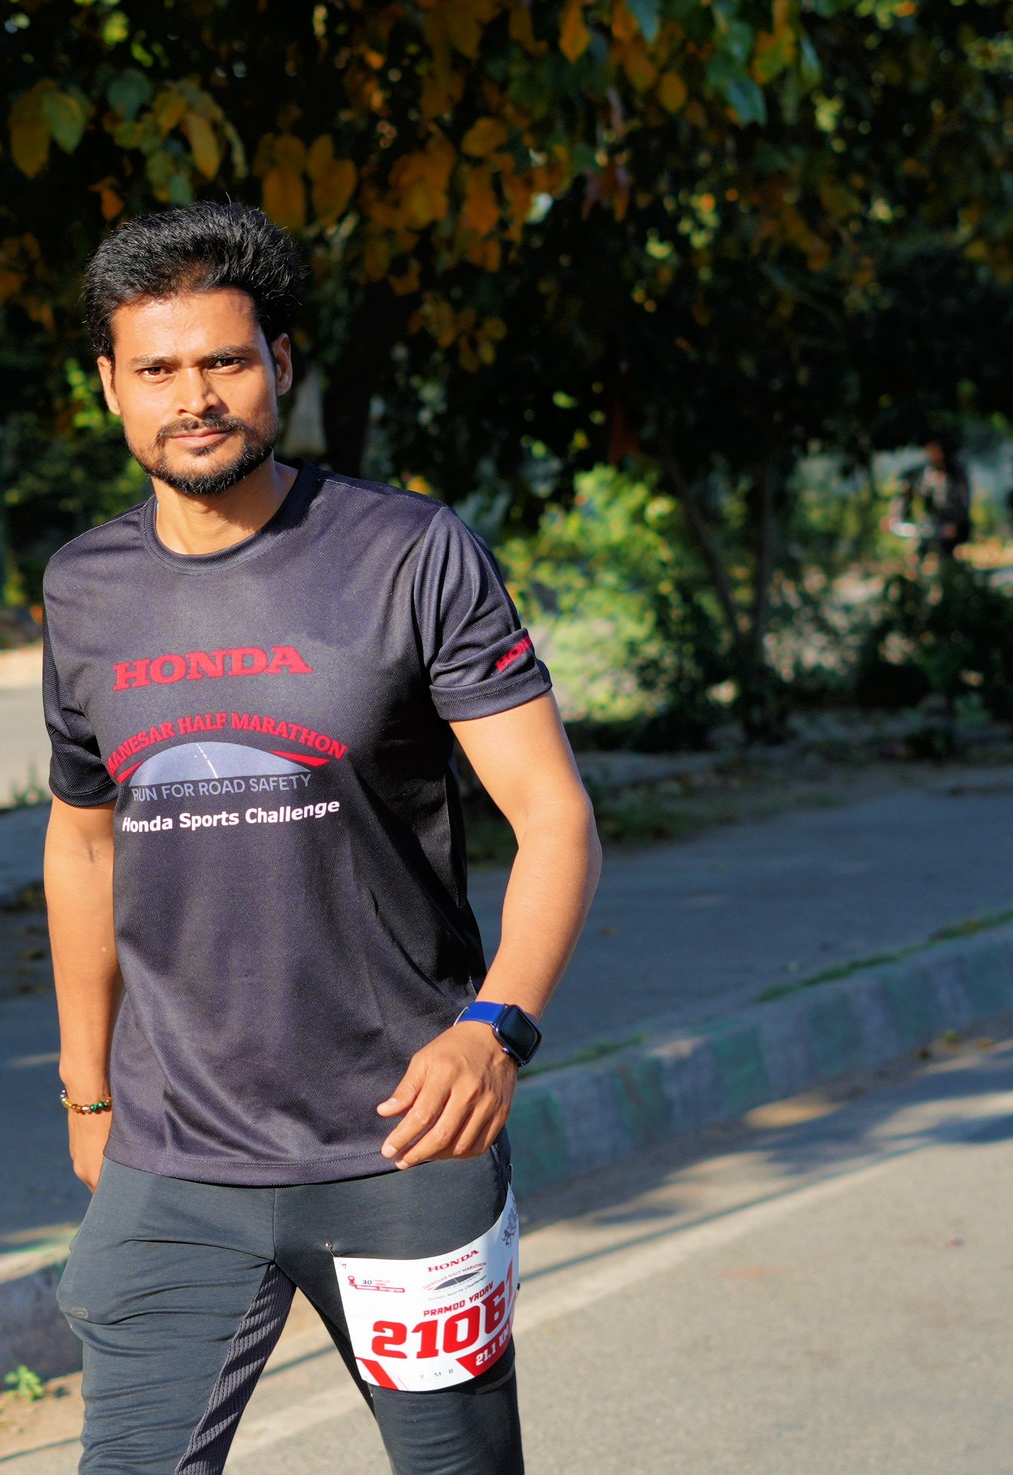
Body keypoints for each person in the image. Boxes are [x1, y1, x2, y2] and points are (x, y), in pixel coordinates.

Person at [40, 202, 602, 1475]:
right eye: (157, 369)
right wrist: (86, 1085)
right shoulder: (83, 585)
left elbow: (552, 813)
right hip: (175, 1153)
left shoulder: (408, 551)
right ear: (110, 386)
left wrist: (495, 1026)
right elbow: (82, 845)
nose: (194, 397)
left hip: (402, 1137)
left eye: (224, 361)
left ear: (279, 363)